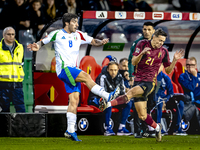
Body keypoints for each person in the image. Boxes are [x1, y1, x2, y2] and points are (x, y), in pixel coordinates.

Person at [27, 13, 120, 141]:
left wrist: (101, 42)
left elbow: (93, 41)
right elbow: (42, 42)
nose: (76, 24)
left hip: (72, 70)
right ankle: (107, 96)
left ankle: (70, 130)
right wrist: (36, 46)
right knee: (86, 76)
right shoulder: (57, 34)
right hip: (64, 69)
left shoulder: (79, 34)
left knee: (74, 100)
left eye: (77, 22)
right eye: (74, 22)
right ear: (67, 23)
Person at [99, 28, 185, 142]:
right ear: (153, 37)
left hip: (149, 83)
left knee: (130, 93)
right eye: (159, 40)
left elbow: (168, 71)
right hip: (138, 81)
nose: (161, 44)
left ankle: (108, 104)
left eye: (163, 42)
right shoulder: (142, 44)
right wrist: (142, 53)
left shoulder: (163, 51)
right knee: (143, 116)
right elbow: (134, 62)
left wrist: (174, 60)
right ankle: (158, 127)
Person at [88, 61, 133, 136]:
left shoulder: (120, 77)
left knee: (128, 102)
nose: (113, 72)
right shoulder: (102, 76)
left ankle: (121, 128)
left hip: (113, 99)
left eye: (115, 70)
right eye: (111, 70)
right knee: (107, 102)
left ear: (118, 69)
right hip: (97, 99)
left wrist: (124, 98)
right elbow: (102, 93)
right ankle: (107, 128)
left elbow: (122, 92)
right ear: (108, 69)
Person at [128, 21, 155, 138]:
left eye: (149, 29)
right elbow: (131, 60)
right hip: (139, 79)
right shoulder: (137, 43)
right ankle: (137, 131)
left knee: (149, 105)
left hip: (152, 80)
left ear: (153, 31)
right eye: (144, 29)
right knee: (137, 105)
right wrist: (131, 76)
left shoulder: (157, 44)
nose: (146, 31)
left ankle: (146, 130)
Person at [0, 27, 25, 113]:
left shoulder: (20, 47)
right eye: (8, 34)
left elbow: (21, 64)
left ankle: (21, 127)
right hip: (3, 85)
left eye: (13, 34)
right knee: (4, 112)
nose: (11, 36)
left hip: (17, 85)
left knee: (21, 110)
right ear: (3, 35)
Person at [155, 64, 186, 135]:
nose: (158, 67)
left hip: (164, 99)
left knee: (180, 103)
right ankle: (158, 127)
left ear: (162, 67)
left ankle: (177, 127)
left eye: (160, 65)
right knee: (159, 103)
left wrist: (165, 99)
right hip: (154, 99)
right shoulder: (151, 77)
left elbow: (171, 93)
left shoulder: (165, 77)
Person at [179, 57, 200, 131]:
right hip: (189, 101)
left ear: (196, 66)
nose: (190, 67)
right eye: (188, 65)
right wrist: (194, 77)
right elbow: (190, 87)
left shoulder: (199, 76)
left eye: (192, 65)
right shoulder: (183, 76)